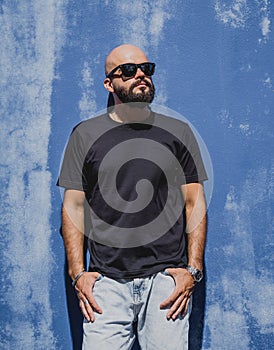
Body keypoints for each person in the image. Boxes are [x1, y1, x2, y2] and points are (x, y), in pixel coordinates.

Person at [58, 44, 208, 349]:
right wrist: (78, 275)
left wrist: (192, 271)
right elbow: (73, 207)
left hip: (166, 282)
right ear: (109, 83)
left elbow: (194, 202)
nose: (140, 75)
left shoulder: (178, 132)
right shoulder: (84, 135)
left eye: (146, 69)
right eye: (128, 70)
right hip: (106, 284)